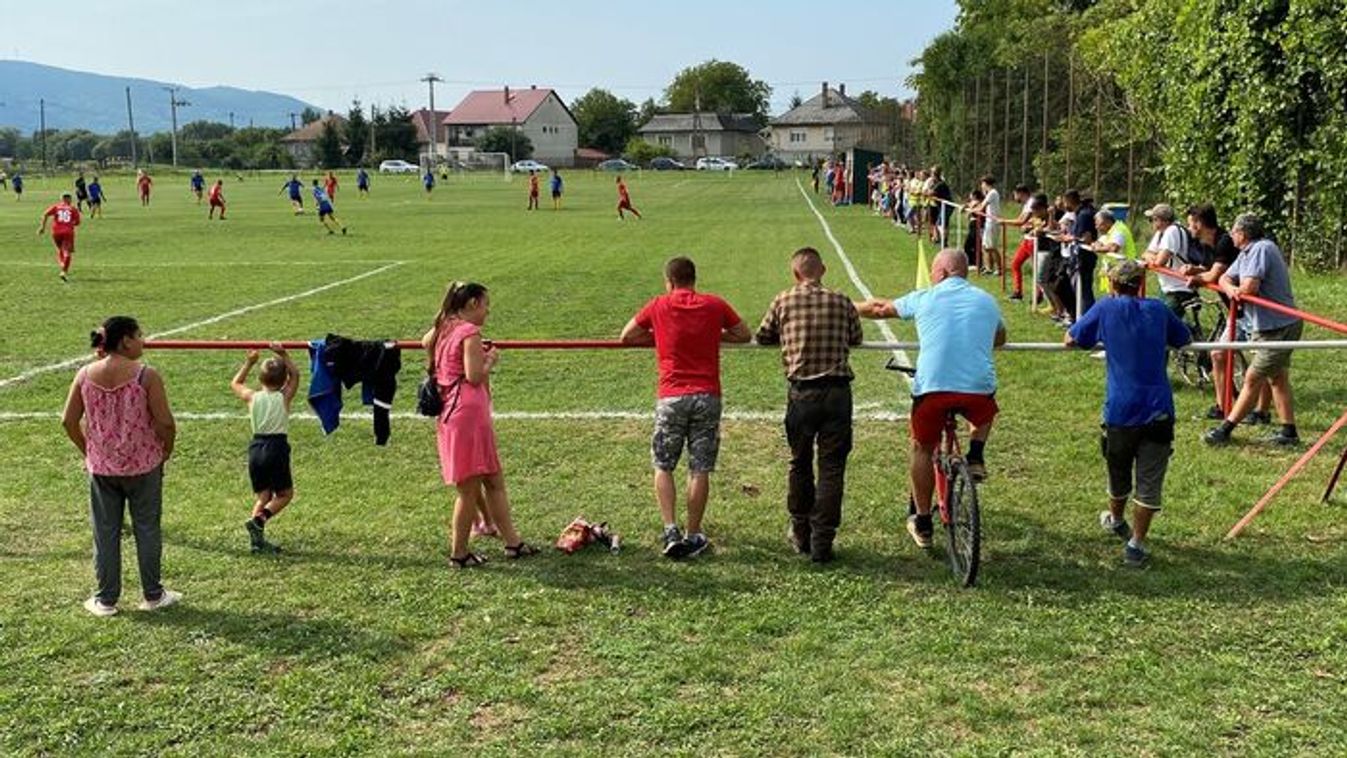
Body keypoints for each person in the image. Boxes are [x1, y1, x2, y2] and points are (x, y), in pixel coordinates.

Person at [856, 249, 1006, 549]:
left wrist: (846, 304)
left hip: (934, 389)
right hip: (978, 391)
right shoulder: (987, 300)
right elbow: (1000, 338)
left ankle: (923, 522)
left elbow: (880, 309)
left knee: (921, 448)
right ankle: (976, 455)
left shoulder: (925, 297)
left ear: (942, 273)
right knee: (985, 410)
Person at [621, 257, 751, 558]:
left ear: (669, 282)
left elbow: (626, 336)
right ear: (694, 279)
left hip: (671, 397)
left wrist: (660, 336)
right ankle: (693, 534)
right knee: (699, 468)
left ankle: (670, 529)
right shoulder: (715, 304)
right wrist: (714, 335)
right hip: (707, 396)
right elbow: (744, 334)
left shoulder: (659, 304)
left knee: (663, 464)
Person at [1065, 260, 1193, 566]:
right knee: (1150, 480)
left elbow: (1072, 338)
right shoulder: (1159, 309)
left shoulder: (1105, 308)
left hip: (1121, 410)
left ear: (1112, 284)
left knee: (1118, 470)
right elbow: (1184, 338)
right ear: (1140, 284)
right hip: (1159, 409)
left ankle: (1117, 519)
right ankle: (1136, 544)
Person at [61, 316, 180, 616]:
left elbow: (68, 420)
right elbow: (165, 422)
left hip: (102, 470)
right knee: (147, 528)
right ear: (126, 340)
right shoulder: (146, 375)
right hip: (144, 466)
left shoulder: (84, 374)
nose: (143, 340)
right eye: (139, 335)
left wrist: (88, 450)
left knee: (105, 532)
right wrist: (166, 449)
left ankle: (106, 600)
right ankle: (153, 595)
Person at [755, 247, 864, 563]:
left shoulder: (783, 300)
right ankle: (823, 541)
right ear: (823, 270)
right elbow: (856, 337)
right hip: (837, 393)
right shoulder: (842, 300)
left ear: (795, 273)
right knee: (832, 468)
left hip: (802, 394)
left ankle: (801, 532)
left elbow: (763, 335)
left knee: (800, 462)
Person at [421, 282, 538, 567]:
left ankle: (513, 542)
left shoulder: (444, 326)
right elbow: (474, 376)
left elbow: (426, 341)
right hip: (467, 415)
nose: (488, 311)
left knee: (494, 480)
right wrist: (490, 359)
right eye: (486, 305)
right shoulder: (469, 332)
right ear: (473, 304)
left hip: (457, 414)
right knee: (469, 490)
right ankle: (459, 553)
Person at [1204, 213, 1302, 447]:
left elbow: (1249, 287)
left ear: (1243, 234)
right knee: (1277, 377)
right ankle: (1289, 432)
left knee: (1253, 377)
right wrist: (1231, 289)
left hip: (1280, 326)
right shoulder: (1246, 252)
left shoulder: (1261, 249)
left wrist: (1236, 289)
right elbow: (1225, 278)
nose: (1231, 235)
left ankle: (1225, 430)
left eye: (1234, 231)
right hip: (1267, 326)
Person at [1181, 203, 1271, 423]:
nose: (1189, 228)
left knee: (1262, 362)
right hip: (1235, 310)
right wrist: (1196, 270)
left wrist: (1197, 278)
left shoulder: (1224, 241)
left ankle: (1262, 412)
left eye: (1190, 223)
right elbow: (1211, 269)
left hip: (1253, 311)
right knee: (1218, 354)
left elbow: (1215, 274)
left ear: (1199, 223)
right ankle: (1223, 406)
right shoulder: (1206, 244)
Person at [230, 345, 299, 553]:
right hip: (276, 448)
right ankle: (260, 520)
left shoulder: (252, 396)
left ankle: (257, 542)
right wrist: (283, 353)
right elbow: (296, 375)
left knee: (263, 497)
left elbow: (236, 383)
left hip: (256, 448)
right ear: (284, 380)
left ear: (260, 379)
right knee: (285, 494)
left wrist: (249, 362)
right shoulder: (284, 396)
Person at [1141, 204, 1196, 318]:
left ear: (1162, 221)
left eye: (1152, 219)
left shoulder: (1172, 231)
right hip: (1169, 287)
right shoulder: (1161, 232)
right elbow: (1146, 253)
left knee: (1165, 323)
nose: (1151, 223)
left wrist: (1153, 258)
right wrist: (1152, 257)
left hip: (1179, 288)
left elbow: (1160, 261)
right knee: (1164, 322)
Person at [39, 192, 81, 283]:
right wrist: (70, 223)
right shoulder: (73, 209)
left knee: (60, 249)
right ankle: (64, 271)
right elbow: (77, 222)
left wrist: (42, 227)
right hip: (68, 232)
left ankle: (63, 265)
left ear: (62, 199)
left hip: (56, 232)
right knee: (67, 252)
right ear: (69, 199)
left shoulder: (56, 207)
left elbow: (45, 214)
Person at [1004, 184, 1036, 299]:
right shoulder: (1026, 204)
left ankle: (1038, 294)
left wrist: (1004, 221)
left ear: (1021, 193)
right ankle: (1018, 292)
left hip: (1034, 241)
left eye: (1015, 195)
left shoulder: (1032, 203)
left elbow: (1022, 221)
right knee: (1015, 264)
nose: (1014, 197)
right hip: (1027, 240)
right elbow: (1020, 220)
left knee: (1036, 268)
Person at [972, 175, 1003, 275]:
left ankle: (999, 269)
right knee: (985, 246)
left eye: (982, 184)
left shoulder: (992, 193)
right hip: (988, 222)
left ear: (986, 184)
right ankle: (989, 268)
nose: (981, 186)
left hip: (993, 223)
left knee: (992, 246)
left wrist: (971, 210)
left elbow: (981, 207)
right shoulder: (989, 193)